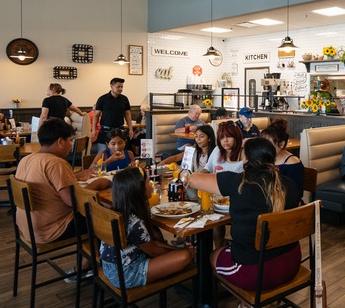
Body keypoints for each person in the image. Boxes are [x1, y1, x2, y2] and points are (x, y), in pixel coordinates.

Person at [187, 137, 301, 291]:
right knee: (230, 248)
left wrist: (185, 174)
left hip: (256, 272)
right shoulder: (289, 183)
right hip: (292, 262)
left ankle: (242, 301)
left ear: (245, 158)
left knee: (213, 255)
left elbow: (193, 180)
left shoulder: (238, 182)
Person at [99, 167, 194, 289]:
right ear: (139, 191)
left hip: (111, 267)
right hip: (125, 274)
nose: (151, 185)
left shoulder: (120, 211)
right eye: (148, 182)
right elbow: (154, 251)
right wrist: (180, 251)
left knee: (158, 234)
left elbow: (152, 243)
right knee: (185, 256)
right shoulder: (134, 223)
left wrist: (175, 249)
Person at [14, 118, 104, 245]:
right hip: (51, 229)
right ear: (60, 141)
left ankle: (88, 261)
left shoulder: (27, 159)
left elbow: (48, 183)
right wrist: (98, 183)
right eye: (70, 141)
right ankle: (89, 263)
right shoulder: (56, 163)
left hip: (28, 226)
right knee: (106, 221)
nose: (71, 145)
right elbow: (72, 201)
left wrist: (75, 177)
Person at [261, 118, 304, 195]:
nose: (264, 147)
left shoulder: (293, 165)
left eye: (269, 143)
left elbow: (295, 195)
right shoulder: (265, 159)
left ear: (281, 144)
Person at [92, 78, 134, 152]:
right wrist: (94, 130)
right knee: (102, 155)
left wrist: (131, 129)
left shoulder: (124, 99)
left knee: (120, 154)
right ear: (111, 86)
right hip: (105, 131)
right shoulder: (102, 99)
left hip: (120, 130)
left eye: (122, 87)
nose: (120, 89)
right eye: (118, 87)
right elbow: (96, 115)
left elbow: (127, 114)